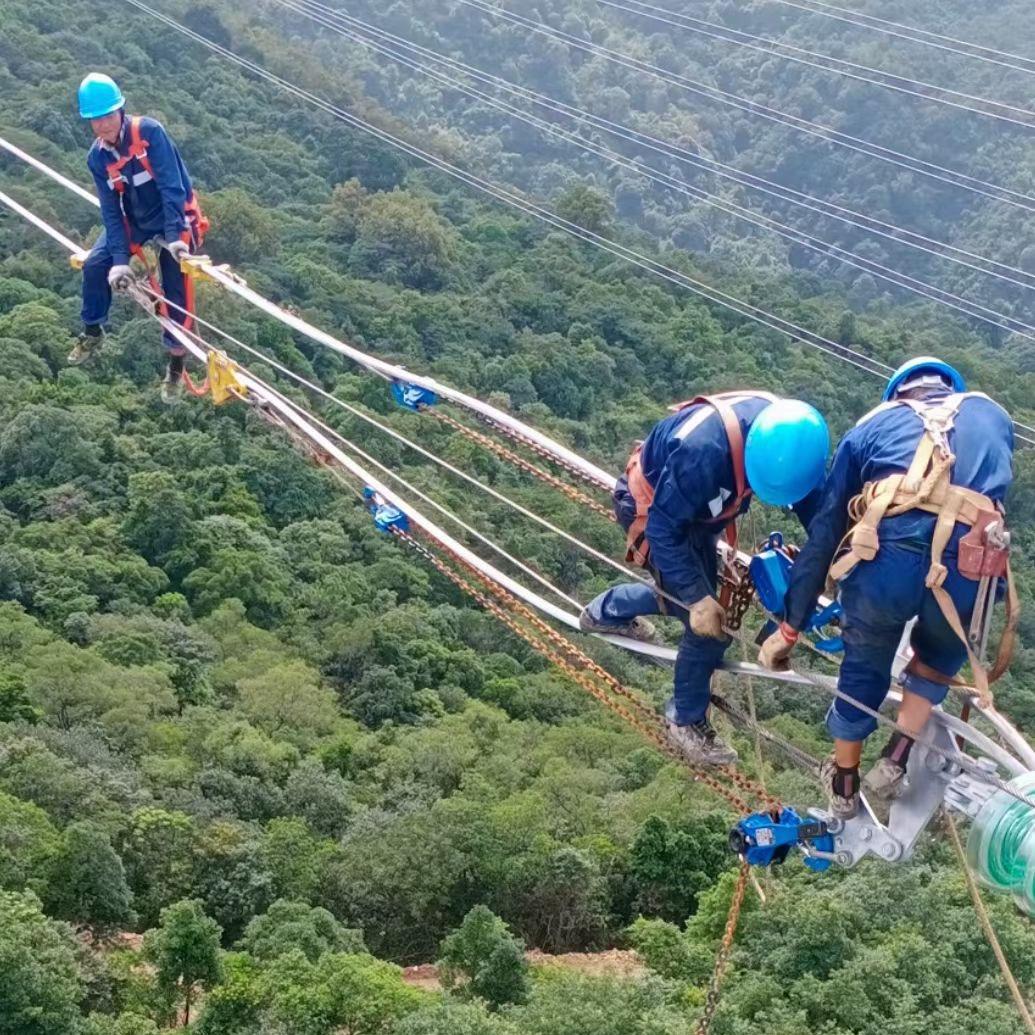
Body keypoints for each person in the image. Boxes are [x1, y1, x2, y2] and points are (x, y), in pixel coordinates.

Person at [759, 357, 1014, 818]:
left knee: (865, 663)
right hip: (969, 566)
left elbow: (826, 532)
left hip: (886, 560)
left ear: (898, 394)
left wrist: (790, 627)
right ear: (948, 388)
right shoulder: (992, 415)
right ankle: (894, 762)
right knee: (938, 657)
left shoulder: (871, 426)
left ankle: (844, 782)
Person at [580, 392, 829, 765]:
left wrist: (831, 558)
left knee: (685, 598)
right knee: (708, 626)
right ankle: (685, 719)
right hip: (657, 514)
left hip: (702, 513)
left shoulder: (793, 441)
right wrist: (698, 599)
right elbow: (664, 530)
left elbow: (816, 509)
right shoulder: (702, 454)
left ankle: (605, 610)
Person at [71, 73, 208, 403]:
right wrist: (120, 260)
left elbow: (172, 186)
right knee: (96, 265)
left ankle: (176, 365)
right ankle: (93, 330)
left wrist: (175, 236)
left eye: (107, 116)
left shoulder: (148, 133)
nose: (103, 125)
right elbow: (110, 209)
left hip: (173, 215)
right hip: (136, 218)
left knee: (176, 288)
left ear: (120, 110)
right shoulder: (97, 158)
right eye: (95, 120)